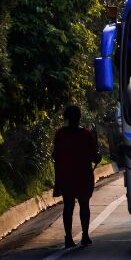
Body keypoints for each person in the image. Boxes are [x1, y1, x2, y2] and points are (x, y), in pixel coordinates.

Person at [53, 105, 101, 248]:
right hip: (83, 176)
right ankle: (85, 235)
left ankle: (68, 238)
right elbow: (95, 157)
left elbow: (55, 155)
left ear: (66, 118)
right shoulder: (86, 135)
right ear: (79, 117)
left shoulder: (60, 135)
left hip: (66, 176)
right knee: (84, 204)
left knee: (68, 206)